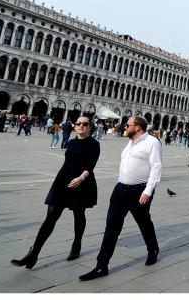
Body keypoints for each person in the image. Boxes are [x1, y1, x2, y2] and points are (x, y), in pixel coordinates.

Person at [79, 116, 162, 281]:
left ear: (137, 127)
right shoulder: (130, 142)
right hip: (120, 189)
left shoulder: (152, 142)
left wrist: (148, 191)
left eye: (127, 124)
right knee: (111, 227)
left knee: (144, 222)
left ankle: (153, 249)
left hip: (139, 190)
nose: (125, 126)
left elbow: (156, 167)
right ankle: (101, 265)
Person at [11, 117, 100, 268]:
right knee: (51, 217)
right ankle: (33, 253)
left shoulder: (94, 144)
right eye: (78, 123)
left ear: (90, 127)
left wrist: (81, 178)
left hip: (81, 182)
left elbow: (90, 166)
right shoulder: (71, 142)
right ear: (74, 126)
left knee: (79, 214)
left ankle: (76, 244)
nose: (81, 126)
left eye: (85, 124)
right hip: (63, 181)